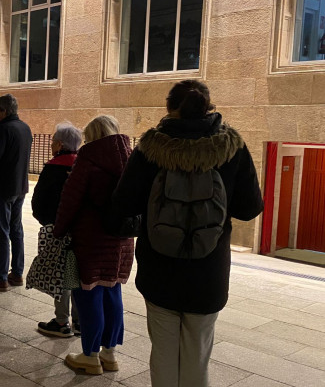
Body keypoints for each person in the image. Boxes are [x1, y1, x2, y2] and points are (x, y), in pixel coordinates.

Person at [112, 80, 264, 386]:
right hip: (208, 273)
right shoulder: (232, 147)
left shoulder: (150, 148)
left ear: (169, 107)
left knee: (164, 354)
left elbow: (122, 204)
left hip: (159, 271)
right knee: (197, 357)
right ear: (209, 107)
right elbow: (250, 208)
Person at [50, 115, 134, 375]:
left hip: (91, 239)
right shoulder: (131, 159)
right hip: (121, 240)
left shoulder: (88, 159)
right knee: (113, 293)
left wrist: (59, 230)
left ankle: (90, 355)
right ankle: (110, 354)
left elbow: (70, 199)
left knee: (88, 296)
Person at [30, 122, 83, 338]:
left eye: (53, 141)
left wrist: (47, 222)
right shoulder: (83, 165)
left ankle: (62, 322)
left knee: (61, 275)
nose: (51, 144)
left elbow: (38, 202)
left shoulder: (54, 167)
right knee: (77, 275)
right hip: (81, 230)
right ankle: (80, 321)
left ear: (60, 144)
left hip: (57, 228)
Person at [0, 94, 33, 292]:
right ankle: (17, 273)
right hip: (20, 186)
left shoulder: (1, 129)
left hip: (3, 188)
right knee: (16, 229)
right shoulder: (25, 128)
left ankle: (1, 276)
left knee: (2, 231)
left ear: (4, 110)